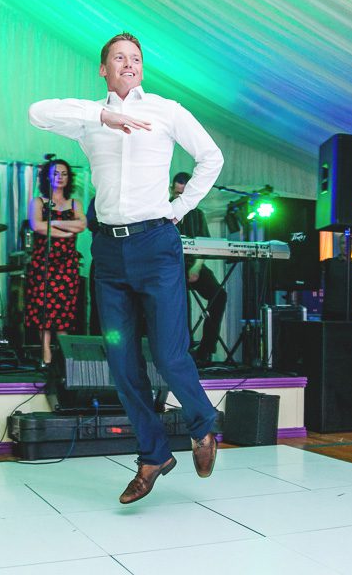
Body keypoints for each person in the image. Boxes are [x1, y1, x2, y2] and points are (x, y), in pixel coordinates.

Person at [29, 32, 223, 504]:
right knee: (120, 361)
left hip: (156, 245)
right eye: (119, 57)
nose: (129, 63)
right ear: (104, 68)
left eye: (135, 57)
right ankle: (153, 455)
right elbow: (37, 112)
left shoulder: (166, 110)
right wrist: (102, 116)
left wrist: (180, 209)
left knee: (169, 355)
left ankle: (202, 426)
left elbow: (211, 157)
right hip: (109, 255)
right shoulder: (88, 119)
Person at [24, 159, 86, 366]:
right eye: (56, 173)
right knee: (44, 309)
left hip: (67, 265)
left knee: (64, 310)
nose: (60, 177)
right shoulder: (38, 202)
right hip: (44, 263)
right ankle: (46, 355)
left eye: (64, 174)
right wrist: (66, 232)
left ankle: (64, 357)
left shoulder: (75, 203)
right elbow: (37, 226)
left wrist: (54, 222)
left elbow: (81, 225)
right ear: (47, 177)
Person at [171, 171, 227, 365]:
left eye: (183, 194)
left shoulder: (197, 214)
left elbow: (204, 244)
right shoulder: (164, 211)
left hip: (193, 264)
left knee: (219, 295)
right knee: (180, 297)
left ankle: (206, 349)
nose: (180, 198)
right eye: (177, 194)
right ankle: (183, 348)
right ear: (171, 190)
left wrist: (196, 267)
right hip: (171, 267)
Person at [322, 234, 352, 321]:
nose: (346, 246)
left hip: (351, 314)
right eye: (343, 243)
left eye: (349, 243)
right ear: (339, 245)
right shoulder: (328, 264)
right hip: (331, 313)